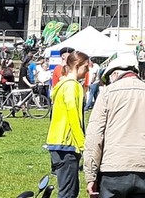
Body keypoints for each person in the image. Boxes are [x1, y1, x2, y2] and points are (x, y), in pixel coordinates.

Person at [83, 52, 145, 197]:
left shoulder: (107, 94)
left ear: (114, 74)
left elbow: (94, 136)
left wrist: (91, 176)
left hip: (112, 169)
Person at [46, 51, 89, 198]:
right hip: (67, 143)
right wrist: (83, 144)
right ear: (77, 65)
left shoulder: (61, 85)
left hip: (56, 141)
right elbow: (73, 116)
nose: (87, 71)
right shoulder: (72, 86)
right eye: (86, 67)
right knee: (68, 193)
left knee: (68, 190)